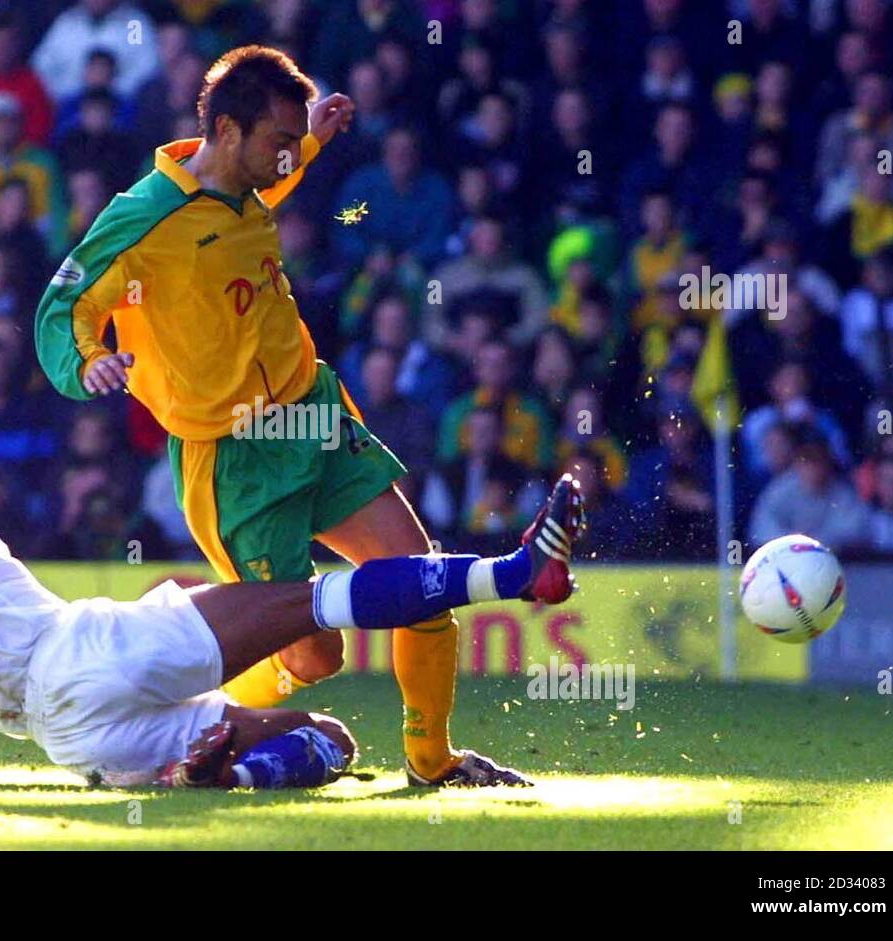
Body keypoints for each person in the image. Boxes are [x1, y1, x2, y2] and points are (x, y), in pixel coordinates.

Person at [34, 45, 570, 786]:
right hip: (235, 459)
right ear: (226, 131)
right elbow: (66, 302)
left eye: (292, 143)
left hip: (312, 416)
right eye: (276, 141)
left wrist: (311, 136)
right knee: (313, 656)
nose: (288, 158)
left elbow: (263, 195)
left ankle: (433, 762)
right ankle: (188, 736)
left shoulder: (247, 184)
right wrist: (88, 358)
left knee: (420, 584)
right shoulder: (146, 218)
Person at [0, 333, 587, 790]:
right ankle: (516, 576)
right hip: (87, 652)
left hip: (72, 737)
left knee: (329, 738)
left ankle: (223, 777)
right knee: (309, 601)